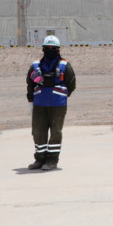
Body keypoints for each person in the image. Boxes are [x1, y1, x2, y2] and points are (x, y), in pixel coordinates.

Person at [26, 35, 76, 170]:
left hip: (58, 105)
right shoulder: (35, 65)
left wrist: (61, 95)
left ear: (58, 49)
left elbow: (71, 84)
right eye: (47, 48)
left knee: (55, 133)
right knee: (38, 132)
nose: (50, 50)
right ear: (43, 49)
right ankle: (40, 159)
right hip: (39, 104)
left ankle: (52, 161)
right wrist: (31, 101)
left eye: (53, 48)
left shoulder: (65, 65)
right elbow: (30, 84)